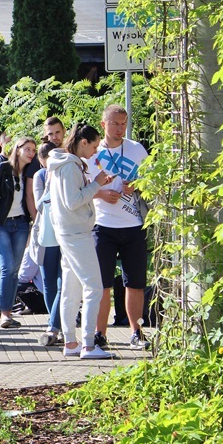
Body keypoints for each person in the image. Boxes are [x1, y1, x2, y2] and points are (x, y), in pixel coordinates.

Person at [86, 104, 151, 350]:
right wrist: (101, 194)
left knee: (135, 283)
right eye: (115, 123)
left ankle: (137, 332)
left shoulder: (136, 149)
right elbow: (79, 190)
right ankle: (100, 333)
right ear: (103, 124)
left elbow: (151, 179)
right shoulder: (93, 152)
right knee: (102, 284)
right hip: (102, 226)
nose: (120, 128)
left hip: (134, 224)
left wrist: (138, 185)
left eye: (123, 123)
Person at [49, 123, 115, 359]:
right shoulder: (70, 167)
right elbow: (73, 201)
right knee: (94, 287)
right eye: (94, 146)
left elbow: (71, 199)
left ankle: (71, 343)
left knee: (71, 288)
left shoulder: (65, 164)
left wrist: (93, 185)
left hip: (69, 231)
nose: (95, 152)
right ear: (83, 142)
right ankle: (87, 344)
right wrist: (97, 184)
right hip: (76, 233)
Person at [0, 136, 37, 328]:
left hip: (21, 224)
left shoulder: (30, 172)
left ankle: (9, 310)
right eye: (28, 149)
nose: (31, 153)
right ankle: (4, 314)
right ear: (18, 149)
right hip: (2, 224)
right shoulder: (2, 169)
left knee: (15, 270)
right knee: (6, 267)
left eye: (33, 150)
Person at [33, 141, 63, 347]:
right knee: (49, 282)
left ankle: (54, 326)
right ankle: (56, 326)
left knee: (64, 283)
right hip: (46, 235)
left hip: (65, 234)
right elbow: (40, 204)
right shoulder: (40, 176)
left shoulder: (65, 172)